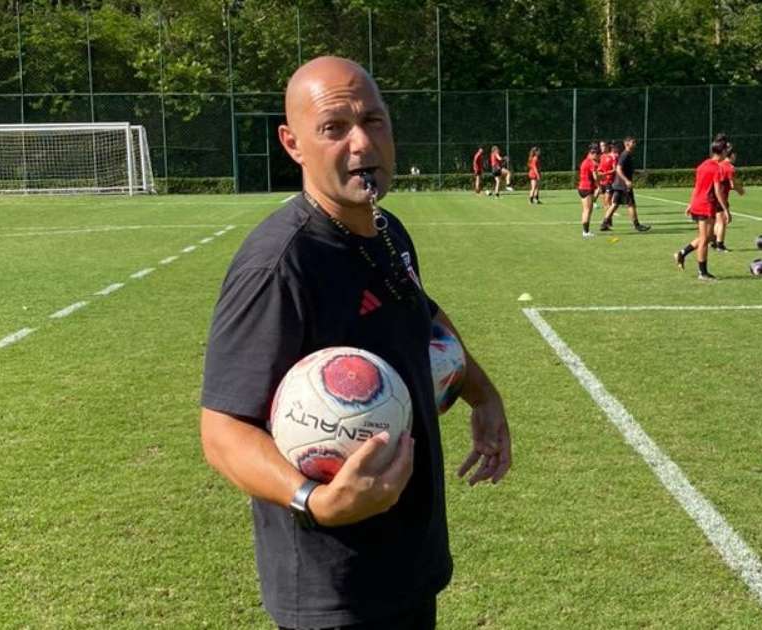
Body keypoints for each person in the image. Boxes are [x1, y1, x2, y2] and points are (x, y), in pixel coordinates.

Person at [199, 56, 512, 630]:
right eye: (334, 128)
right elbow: (222, 432)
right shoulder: (281, 264)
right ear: (293, 144)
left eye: (374, 120)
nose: (362, 142)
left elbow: (421, 311)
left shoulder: (385, 229)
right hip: (335, 589)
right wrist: (315, 502)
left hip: (407, 561)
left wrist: (483, 395)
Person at [674, 139, 729, 280]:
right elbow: (717, 191)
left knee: (710, 236)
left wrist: (690, 203)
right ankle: (702, 273)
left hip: (698, 203)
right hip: (706, 205)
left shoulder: (702, 165)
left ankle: (682, 253)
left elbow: (697, 186)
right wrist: (726, 210)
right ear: (722, 152)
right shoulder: (717, 168)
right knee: (705, 239)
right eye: (726, 151)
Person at [605, 137, 651, 232]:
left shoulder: (628, 155)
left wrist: (639, 173)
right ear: (626, 143)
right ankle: (637, 225)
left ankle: (604, 223)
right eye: (632, 142)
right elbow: (618, 169)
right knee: (631, 204)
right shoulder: (625, 155)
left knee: (615, 204)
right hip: (623, 185)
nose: (634, 144)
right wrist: (626, 181)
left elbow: (627, 169)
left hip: (619, 184)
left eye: (634, 142)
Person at [711, 145, 743, 252]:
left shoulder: (719, 164)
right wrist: (740, 190)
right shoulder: (729, 167)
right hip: (721, 196)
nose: (736, 157)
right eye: (735, 155)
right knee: (723, 221)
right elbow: (732, 184)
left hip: (713, 196)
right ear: (732, 155)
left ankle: (714, 242)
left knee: (718, 220)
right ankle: (720, 245)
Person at [577, 144, 600, 238]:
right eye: (597, 154)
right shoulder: (591, 163)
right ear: (592, 153)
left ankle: (585, 231)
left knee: (585, 210)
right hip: (587, 188)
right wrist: (600, 178)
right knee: (587, 211)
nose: (598, 156)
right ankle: (586, 232)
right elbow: (595, 176)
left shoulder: (585, 160)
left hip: (581, 188)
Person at [595, 142, 617, 218]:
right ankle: (607, 220)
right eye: (600, 146)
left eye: (603, 146)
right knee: (604, 203)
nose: (602, 148)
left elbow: (615, 169)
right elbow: (600, 168)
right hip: (602, 182)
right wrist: (598, 172)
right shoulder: (601, 156)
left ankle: (607, 219)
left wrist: (604, 174)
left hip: (609, 182)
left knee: (608, 201)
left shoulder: (612, 156)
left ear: (608, 146)